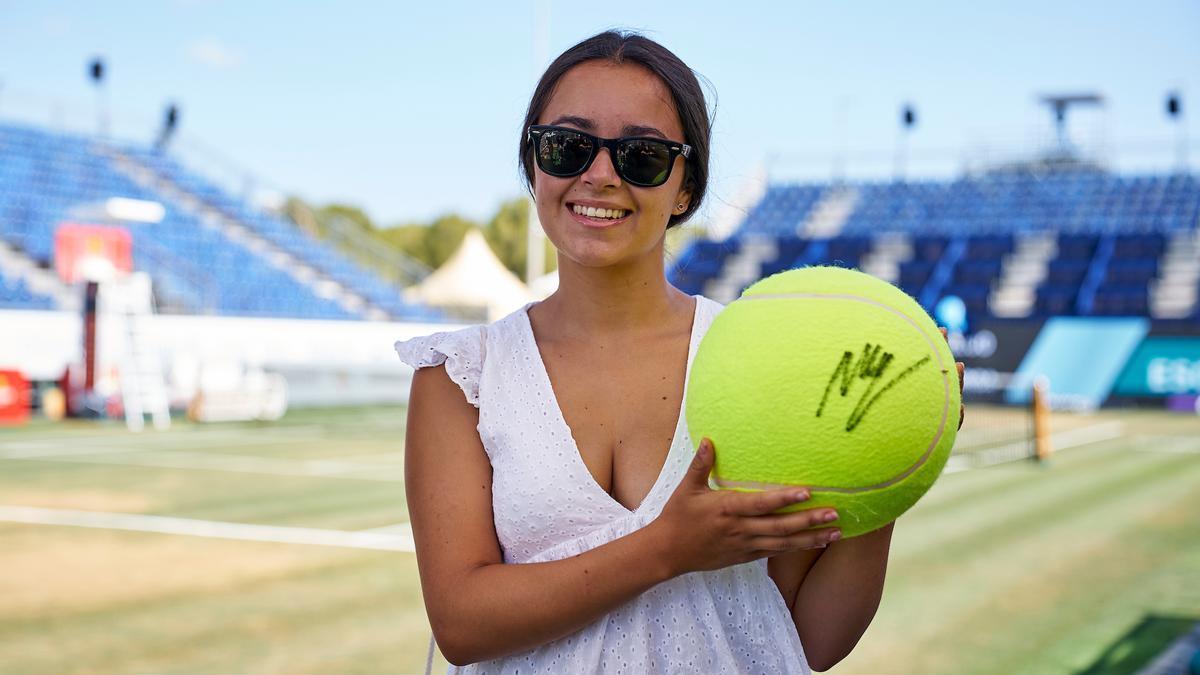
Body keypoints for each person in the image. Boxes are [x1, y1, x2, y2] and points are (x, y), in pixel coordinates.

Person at [397, 30, 964, 673]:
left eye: (642, 155)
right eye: (567, 147)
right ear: (533, 165)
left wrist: (890, 450)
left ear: (686, 187)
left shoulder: (759, 354)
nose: (600, 175)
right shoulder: (460, 376)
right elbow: (462, 624)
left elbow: (805, 640)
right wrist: (667, 547)